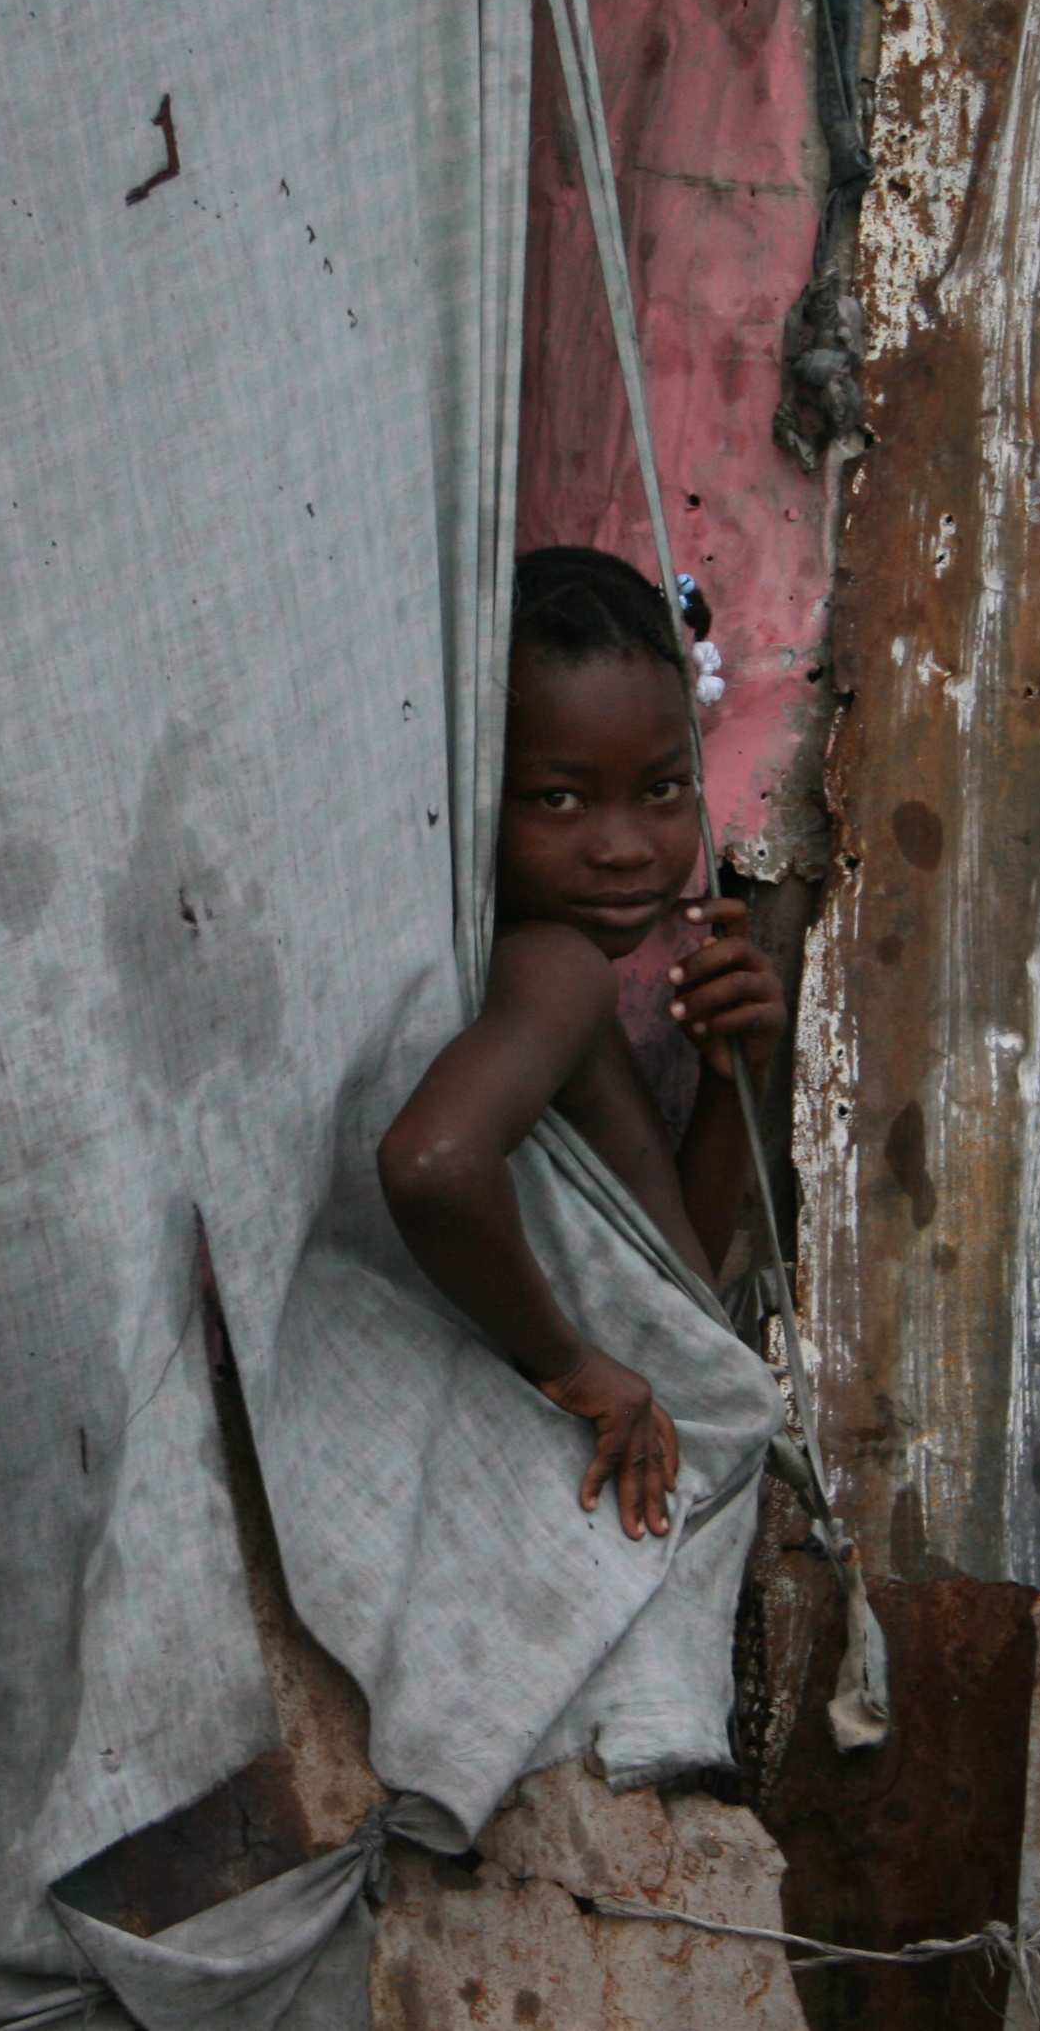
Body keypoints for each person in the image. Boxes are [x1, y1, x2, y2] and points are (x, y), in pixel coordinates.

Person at [376, 547, 786, 1543]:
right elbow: (431, 1166)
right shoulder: (557, 968)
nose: (624, 844)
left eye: (661, 789)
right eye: (559, 798)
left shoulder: (551, 987)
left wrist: (733, 1078)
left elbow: (669, 1274)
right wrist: (567, 1363)